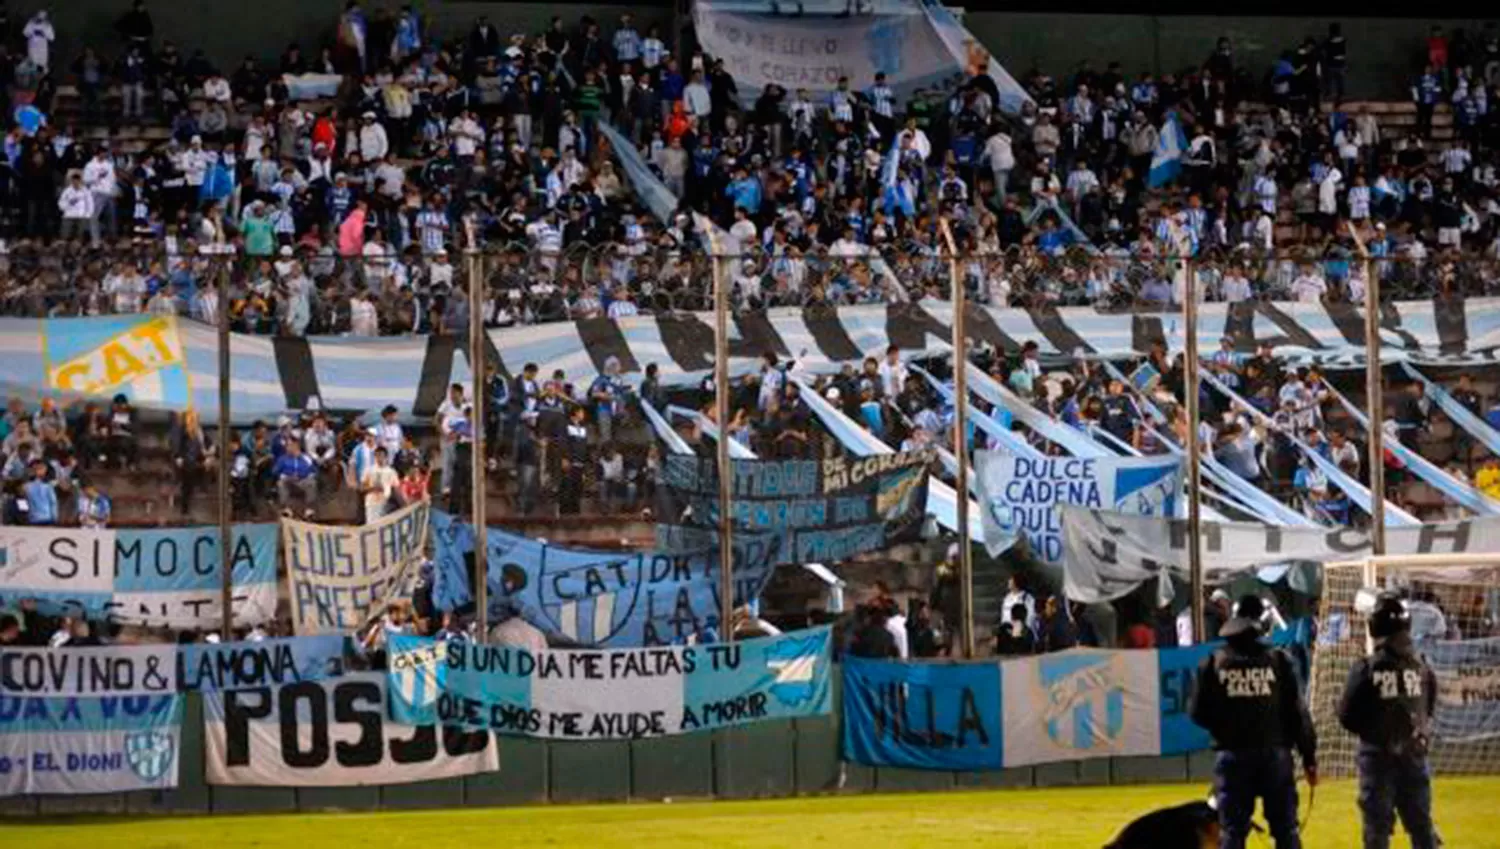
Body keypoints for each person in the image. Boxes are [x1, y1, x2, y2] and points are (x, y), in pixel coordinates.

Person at [1190, 594, 1318, 849]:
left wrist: (1227, 729)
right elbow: (1297, 715)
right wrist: (1309, 758)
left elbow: (1197, 712)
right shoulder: (1280, 661)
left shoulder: (1214, 662)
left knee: (1233, 832)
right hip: (1275, 756)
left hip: (1232, 756)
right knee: (1285, 831)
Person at [1337, 593, 1440, 849]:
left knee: (1377, 830)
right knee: (1422, 825)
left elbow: (1346, 715)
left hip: (1377, 756)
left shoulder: (1367, 668)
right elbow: (1429, 709)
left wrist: (1374, 729)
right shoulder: (1422, 666)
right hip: (1415, 755)